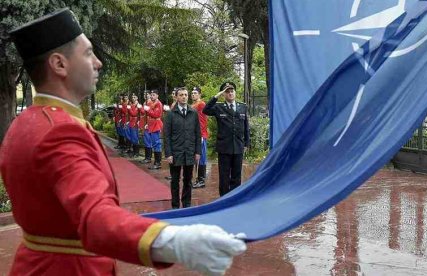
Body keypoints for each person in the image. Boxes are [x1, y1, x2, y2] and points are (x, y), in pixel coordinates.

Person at [0, 8, 246, 275]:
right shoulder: (60, 132)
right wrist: (174, 242)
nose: (98, 62)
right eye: (87, 53)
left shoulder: (28, 122)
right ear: (59, 64)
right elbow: (96, 218)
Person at [203, 82, 250, 196]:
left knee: (236, 176)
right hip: (224, 147)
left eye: (231, 91)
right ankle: (223, 199)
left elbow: (246, 127)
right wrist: (216, 96)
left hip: (238, 146)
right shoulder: (219, 107)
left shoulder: (242, 106)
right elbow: (205, 110)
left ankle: (233, 198)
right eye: (227, 92)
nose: (230, 93)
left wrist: (246, 144)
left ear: (235, 92)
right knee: (224, 176)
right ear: (223, 94)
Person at [164, 87, 201, 209]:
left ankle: (186, 204)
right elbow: (167, 135)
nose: (184, 97)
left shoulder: (193, 113)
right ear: (177, 97)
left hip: (189, 151)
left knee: (188, 180)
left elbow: (197, 133)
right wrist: (168, 153)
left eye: (186, 94)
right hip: (175, 152)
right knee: (175, 180)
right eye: (181, 95)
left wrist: (197, 151)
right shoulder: (170, 114)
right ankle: (175, 205)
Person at [191, 86, 209, 188]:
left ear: (199, 94)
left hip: (200, 134)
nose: (193, 94)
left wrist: (201, 134)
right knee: (196, 157)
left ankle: (201, 180)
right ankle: (197, 178)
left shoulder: (201, 104)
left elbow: (202, 121)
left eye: (195, 93)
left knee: (201, 157)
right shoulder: (193, 104)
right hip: (194, 134)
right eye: (192, 93)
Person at [145, 90, 164, 170]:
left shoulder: (158, 104)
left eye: (153, 95)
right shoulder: (150, 103)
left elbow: (155, 114)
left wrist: (147, 110)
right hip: (152, 124)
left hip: (156, 124)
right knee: (154, 143)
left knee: (157, 144)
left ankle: (158, 163)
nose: (152, 96)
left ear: (157, 96)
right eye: (151, 95)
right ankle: (156, 161)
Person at [140, 90, 153, 164]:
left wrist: (147, 123)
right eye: (144, 94)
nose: (145, 95)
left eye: (147, 94)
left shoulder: (151, 102)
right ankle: (146, 157)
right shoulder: (145, 102)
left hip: (149, 123)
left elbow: (151, 114)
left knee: (148, 141)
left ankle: (148, 158)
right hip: (145, 122)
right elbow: (143, 113)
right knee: (146, 140)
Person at [126, 94, 142, 158]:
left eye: (134, 97)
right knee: (132, 137)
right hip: (131, 122)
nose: (133, 98)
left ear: (137, 98)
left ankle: (137, 152)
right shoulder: (132, 105)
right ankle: (134, 151)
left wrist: (129, 109)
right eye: (132, 97)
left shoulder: (138, 105)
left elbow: (134, 113)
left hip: (135, 122)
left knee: (135, 138)